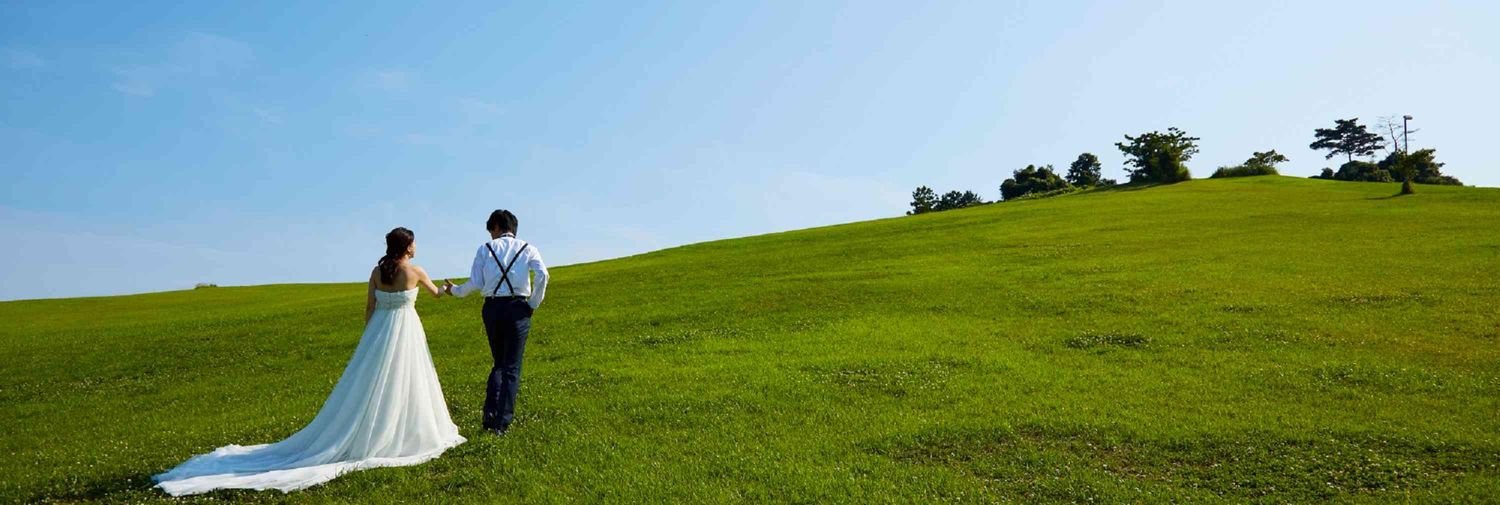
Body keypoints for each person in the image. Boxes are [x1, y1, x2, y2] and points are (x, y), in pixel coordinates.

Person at [154, 227, 465, 496]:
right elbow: (437, 293)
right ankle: (404, 432)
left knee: (369, 382)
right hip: (406, 330)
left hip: (379, 332)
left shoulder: (377, 272)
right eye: (413, 242)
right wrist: (451, 289)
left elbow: (369, 307)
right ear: (407, 246)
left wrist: (368, 336)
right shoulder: (416, 271)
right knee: (407, 378)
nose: (416, 246)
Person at [444, 209, 549, 436]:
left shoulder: (485, 249)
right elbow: (543, 275)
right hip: (518, 308)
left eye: (491, 230)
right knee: (512, 367)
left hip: (491, 308)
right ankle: (501, 424)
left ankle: (489, 416)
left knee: (499, 363)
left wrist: (454, 290)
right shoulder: (528, 248)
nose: (491, 234)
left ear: (496, 227)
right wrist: (532, 304)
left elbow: (476, 282)